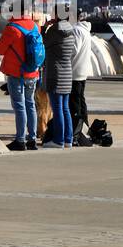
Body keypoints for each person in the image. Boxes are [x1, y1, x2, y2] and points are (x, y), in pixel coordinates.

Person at [0, 13, 42, 151]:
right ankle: (32, 140)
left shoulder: (12, 28)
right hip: (32, 72)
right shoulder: (35, 26)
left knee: (20, 107)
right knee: (30, 104)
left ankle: (20, 140)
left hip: (17, 73)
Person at [42, 15, 76, 148]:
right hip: (67, 73)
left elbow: (43, 42)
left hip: (55, 74)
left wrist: (45, 27)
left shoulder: (54, 30)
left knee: (57, 109)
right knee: (65, 108)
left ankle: (58, 140)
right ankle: (68, 139)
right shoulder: (71, 30)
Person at [69, 16, 92, 132]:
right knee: (81, 100)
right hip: (83, 70)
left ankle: (76, 129)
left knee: (74, 102)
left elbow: (74, 49)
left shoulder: (76, 30)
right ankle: (85, 126)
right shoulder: (85, 30)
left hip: (75, 71)